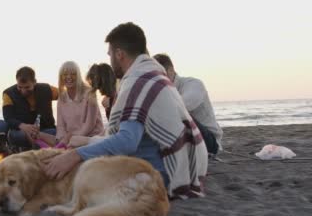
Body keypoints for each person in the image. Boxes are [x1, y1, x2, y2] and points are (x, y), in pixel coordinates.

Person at [43, 22, 208, 199]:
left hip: (163, 173)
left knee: (79, 176)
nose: (110, 60)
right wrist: (89, 142)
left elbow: (128, 141)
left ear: (119, 54)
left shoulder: (138, 82)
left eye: (110, 54)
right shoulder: (153, 74)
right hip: (181, 164)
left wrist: (75, 155)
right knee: (86, 156)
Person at [153, 53, 222, 155]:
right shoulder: (163, 91)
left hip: (209, 142)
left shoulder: (193, 84)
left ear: (171, 70)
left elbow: (182, 105)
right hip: (187, 142)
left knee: (178, 113)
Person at [0, 66, 59, 150]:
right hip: (21, 132)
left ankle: (39, 141)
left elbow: (66, 97)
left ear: (34, 82)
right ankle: (40, 143)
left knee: (57, 133)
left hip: (46, 130)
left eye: (27, 87)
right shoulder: (8, 94)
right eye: (20, 87)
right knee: (14, 135)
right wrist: (23, 126)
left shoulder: (47, 89)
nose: (23, 91)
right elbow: (8, 118)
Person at [55, 61, 104, 148]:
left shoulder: (89, 93)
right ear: (61, 77)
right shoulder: (61, 97)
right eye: (65, 74)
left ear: (78, 76)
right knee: (39, 137)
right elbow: (60, 126)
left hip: (91, 137)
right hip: (70, 140)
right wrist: (62, 140)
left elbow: (89, 125)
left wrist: (71, 139)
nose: (69, 77)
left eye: (73, 74)